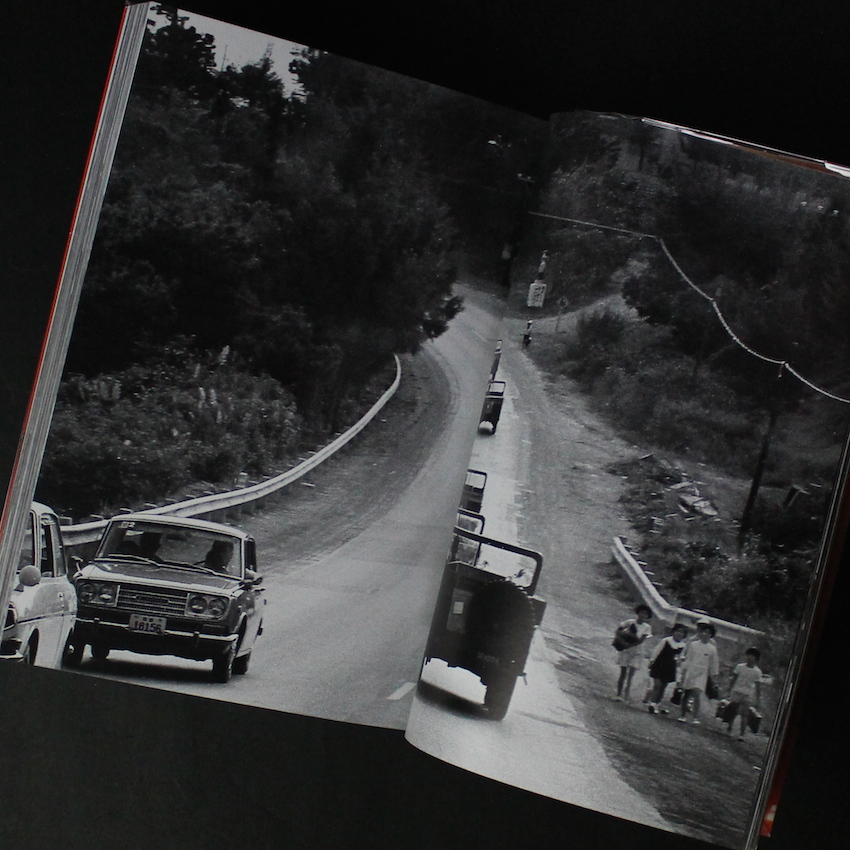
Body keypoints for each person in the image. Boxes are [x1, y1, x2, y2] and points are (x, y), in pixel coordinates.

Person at [677, 618, 720, 724]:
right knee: (687, 693)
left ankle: (695, 717)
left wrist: (714, 676)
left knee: (697, 693)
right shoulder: (693, 644)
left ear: (711, 635)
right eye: (703, 632)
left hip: (702, 673)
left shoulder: (712, 648)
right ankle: (682, 715)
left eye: (708, 633)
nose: (705, 634)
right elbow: (688, 658)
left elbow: (714, 663)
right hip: (691, 670)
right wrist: (683, 671)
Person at [645, 622, 688, 714]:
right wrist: (652, 660)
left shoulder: (683, 646)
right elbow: (657, 650)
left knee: (663, 687)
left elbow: (681, 657)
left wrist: (680, 665)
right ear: (673, 632)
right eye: (678, 631)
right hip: (659, 665)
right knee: (657, 685)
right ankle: (652, 703)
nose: (679, 634)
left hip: (670, 668)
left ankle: (657, 703)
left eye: (682, 632)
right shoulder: (666, 640)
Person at [613, 604, 653, 702]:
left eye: (645, 614)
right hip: (626, 651)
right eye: (642, 612)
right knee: (623, 673)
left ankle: (626, 695)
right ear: (638, 612)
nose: (643, 615)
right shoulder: (629, 622)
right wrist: (621, 641)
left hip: (637, 652)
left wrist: (628, 645)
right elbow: (618, 631)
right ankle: (618, 694)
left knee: (630, 675)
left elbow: (641, 641)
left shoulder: (647, 627)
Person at [727, 646, 763, 741]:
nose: (749, 658)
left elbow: (758, 686)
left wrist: (758, 699)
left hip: (747, 694)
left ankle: (742, 734)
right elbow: (734, 679)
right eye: (748, 655)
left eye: (752, 656)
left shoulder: (757, 672)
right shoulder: (740, 667)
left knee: (744, 714)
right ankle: (729, 728)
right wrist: (729, 689)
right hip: (737, 691)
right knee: (733, 711)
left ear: (756, 659)